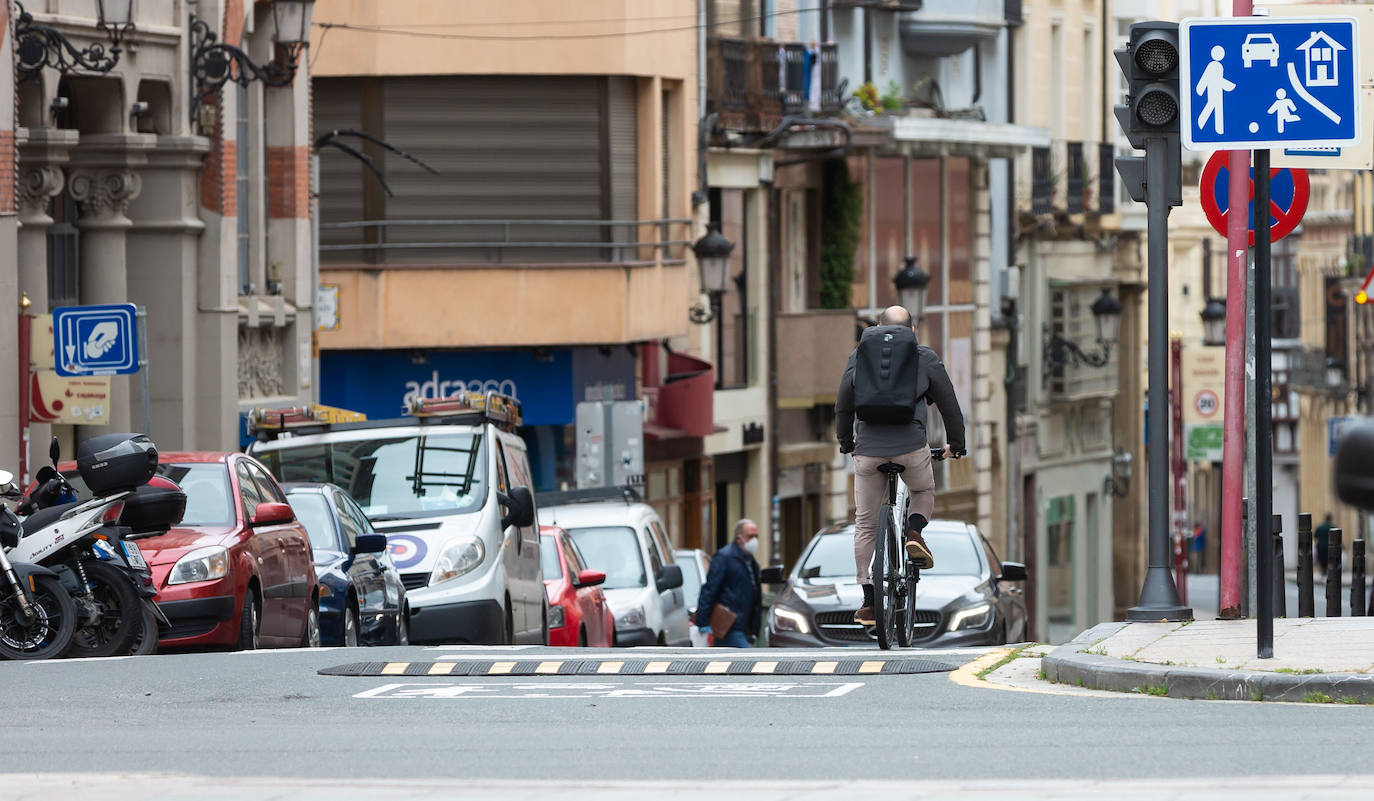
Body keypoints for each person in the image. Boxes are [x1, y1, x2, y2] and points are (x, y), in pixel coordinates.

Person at [835, 305, 966, 626]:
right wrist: (956, 446)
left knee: (865, 523)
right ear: (913, 330)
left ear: (878, 326)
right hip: (911, 449)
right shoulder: (925, 357)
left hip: (867, 453)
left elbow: (843, 405)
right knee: (923, 490)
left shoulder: (860, 356)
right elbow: (950, 407)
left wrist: (847, 444)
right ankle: (914, 532)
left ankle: (868, 600)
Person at [694, 519, 762, 648]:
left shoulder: (751, 562)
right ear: (738, 538)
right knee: (748, 661)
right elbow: (710, 589)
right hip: (729, 624)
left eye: (756, 536)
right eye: (750, 536)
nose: (754, 540)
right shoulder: (724, 557)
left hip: (744, 626)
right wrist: (702, 620)